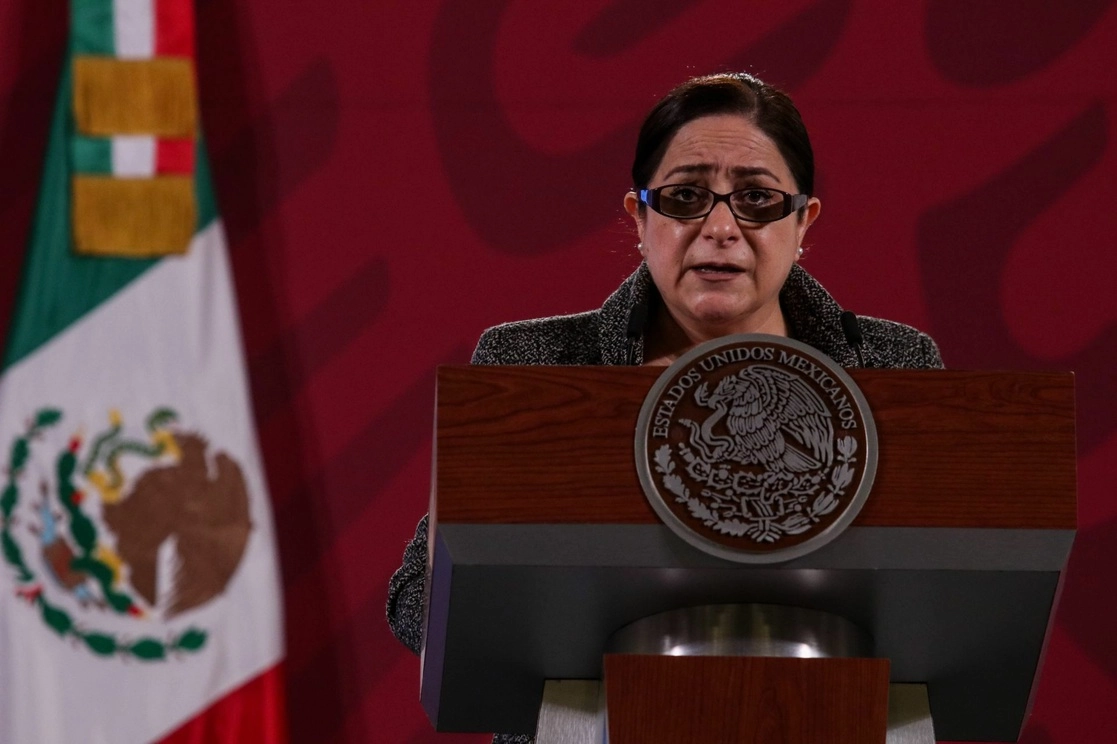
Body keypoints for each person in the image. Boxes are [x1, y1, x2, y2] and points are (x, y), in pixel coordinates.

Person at [387, 72, 943, 744]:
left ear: (803, 222)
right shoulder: (534, 363)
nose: (719, 228)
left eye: (756, 199)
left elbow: (949, 600)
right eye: (684, 197)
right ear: (638, 218)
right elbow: (418, 599)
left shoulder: (891, 367)